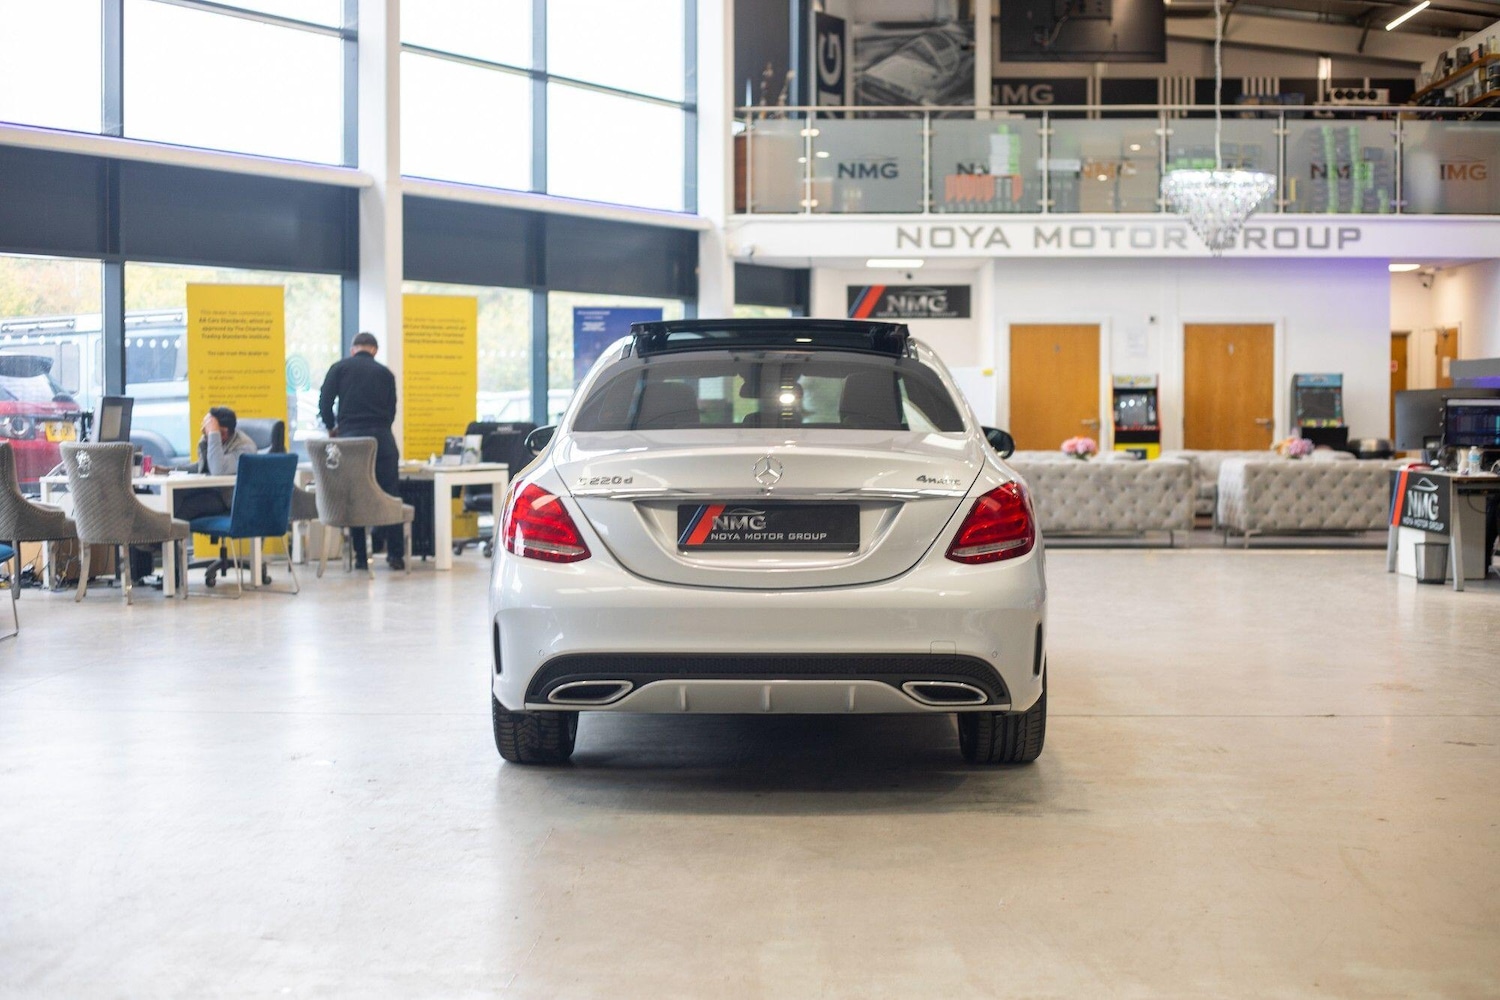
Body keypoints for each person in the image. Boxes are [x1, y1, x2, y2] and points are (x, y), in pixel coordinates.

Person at [318, 331, 403, 570]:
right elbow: (391, 411)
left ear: (353, 349)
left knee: (354, 495)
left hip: (350, 442)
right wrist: (381, 428)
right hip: (382, 441)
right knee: (390, 495)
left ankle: (360, 557)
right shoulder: (385, 373)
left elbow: (324, 402)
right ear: (375, 350)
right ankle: (396, 555)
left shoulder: (339, 368)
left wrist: (332, 428)